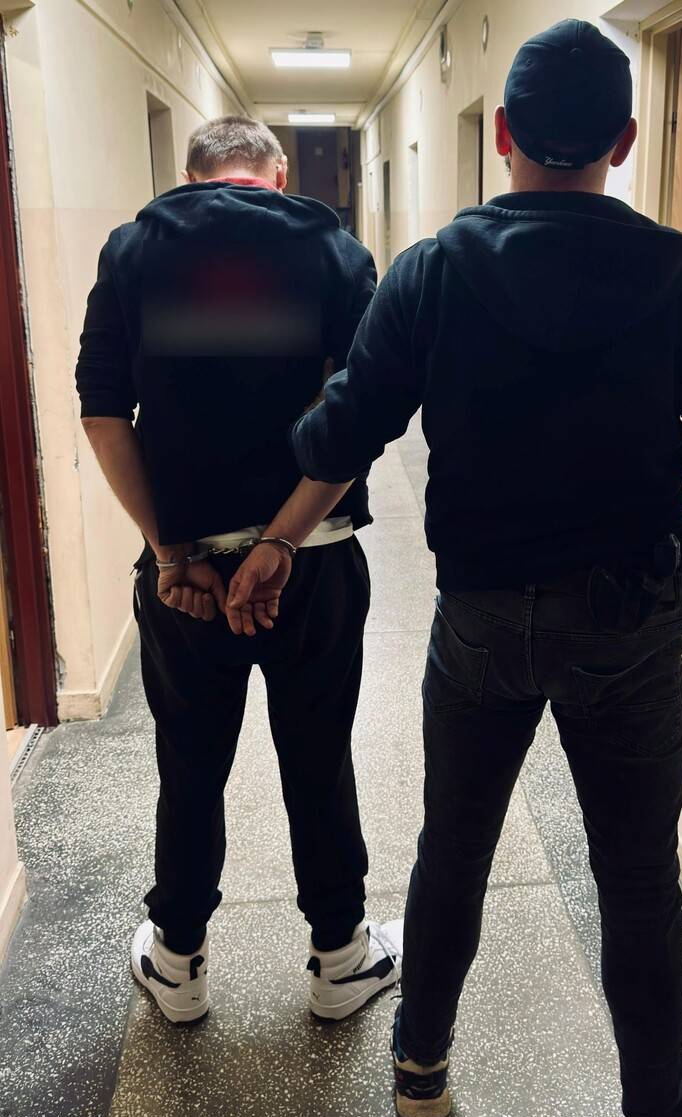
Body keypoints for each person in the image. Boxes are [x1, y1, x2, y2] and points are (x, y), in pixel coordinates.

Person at [289, 20, 682, 1117]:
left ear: (505, 134)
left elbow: (341, 431)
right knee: (634, 877)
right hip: (625, 629)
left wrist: (273, 486)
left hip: (474, 622)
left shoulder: (430, 272)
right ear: (623, 141)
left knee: (453, 848)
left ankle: (419, 1068)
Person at [76, 115, 402, 1028]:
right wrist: (280, 543)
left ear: (191, 176)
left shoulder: (132, 251)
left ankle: (177, 963)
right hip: (315, 562)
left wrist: (172, 550)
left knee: (190, 762)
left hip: (188, 580)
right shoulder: (337, 253)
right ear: (279, 171)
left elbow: (103, 414)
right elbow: (359, 416)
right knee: (318, 755)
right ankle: (341, 958)